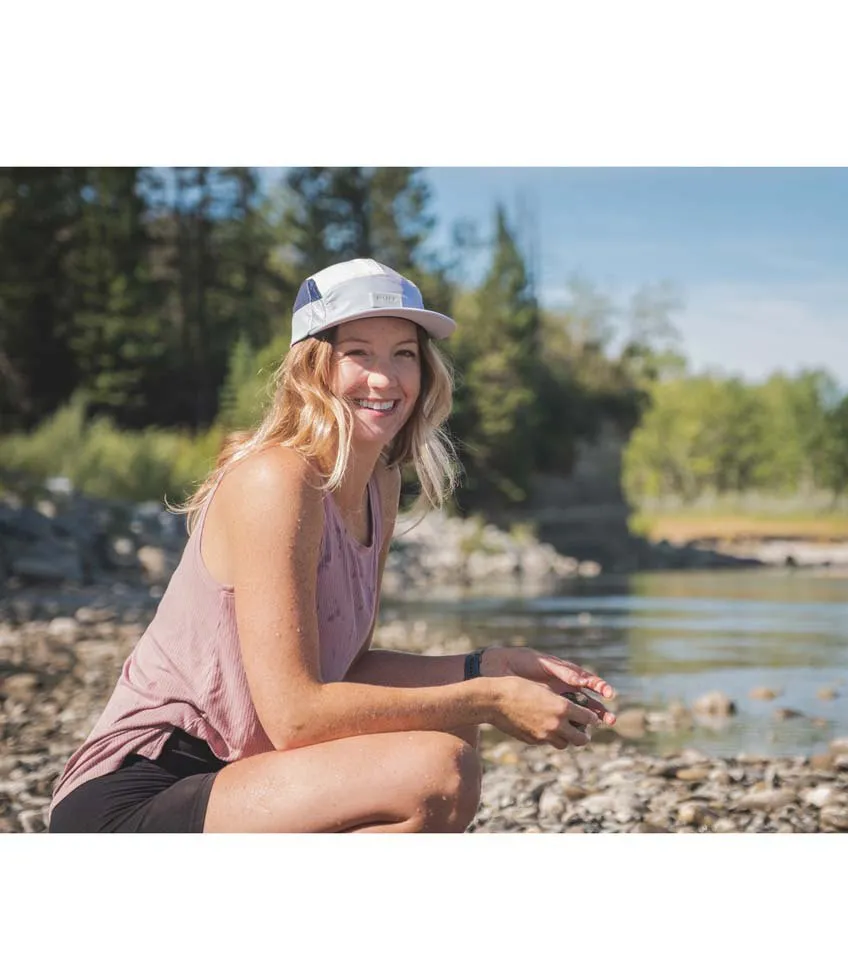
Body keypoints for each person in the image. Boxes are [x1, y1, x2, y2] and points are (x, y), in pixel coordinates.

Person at [48, 258, 617, 833]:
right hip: (140, 794)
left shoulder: (379, 484)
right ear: (314, 367)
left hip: (239, 779)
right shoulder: (278, 479)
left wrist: (487, 666)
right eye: (359, 354)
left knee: (448, 726)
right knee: (437, 767)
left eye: (403, 354)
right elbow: (296, 716)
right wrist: (489, 699)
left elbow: (351, 669)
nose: (384, 379)